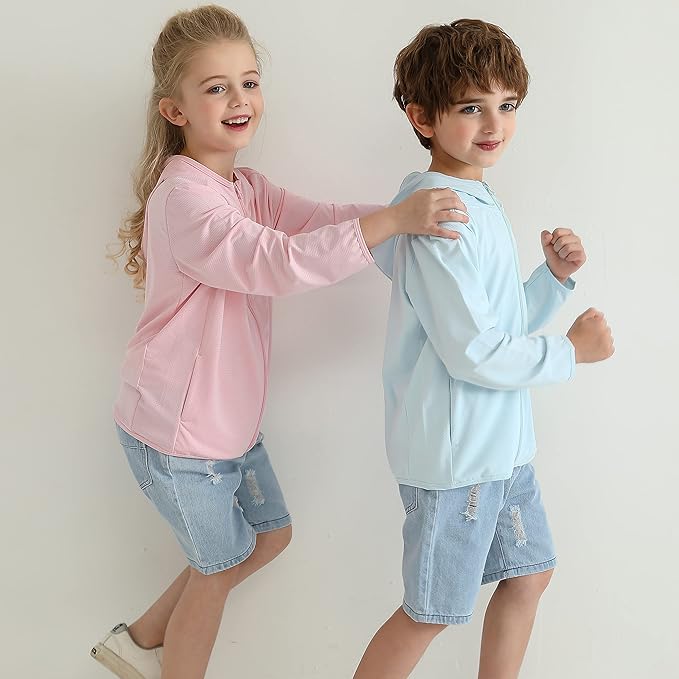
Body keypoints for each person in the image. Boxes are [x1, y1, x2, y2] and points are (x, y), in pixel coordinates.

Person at [91, 5, 468, 679]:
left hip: (225, 427)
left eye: (249, 82)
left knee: (269, 535)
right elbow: (275, 262)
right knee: (217, 568)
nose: (239, 99)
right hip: (179, 435)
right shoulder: (185, 200)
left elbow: (316, 221)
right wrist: (391, 223)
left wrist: (401, 219)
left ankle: (140, 640)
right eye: (216, 88)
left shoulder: (244, 188)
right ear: (175, 110)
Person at [357, 19, 614, 679]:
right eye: (471, 107)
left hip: (499, 448)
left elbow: (495, 322)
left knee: (529, 573)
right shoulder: (439, 214)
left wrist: (551, 280)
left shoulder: (473, 198)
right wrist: (569, 352)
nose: (494, 123)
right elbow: (473, 352)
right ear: (422, 117)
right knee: (431, 610)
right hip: (459, 460)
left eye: (507, 104)